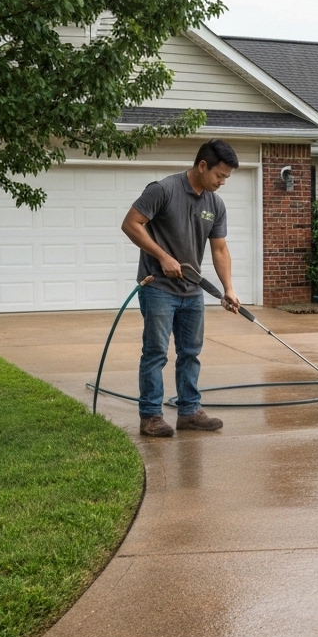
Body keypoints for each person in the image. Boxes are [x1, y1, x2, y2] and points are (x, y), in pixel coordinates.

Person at [121, 139, 242, 437]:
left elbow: (220, 250)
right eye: (219, 175)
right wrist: (162, 256)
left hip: (192, 290)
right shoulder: (163, 190)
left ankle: (189, 411)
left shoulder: (215, 204)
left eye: (226, 177)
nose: (222, 182)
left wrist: (229, 288)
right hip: (158, 287)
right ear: (202, 166)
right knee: (156, 353)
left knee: (190, 352)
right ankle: (150, 415)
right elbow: (131, 223)